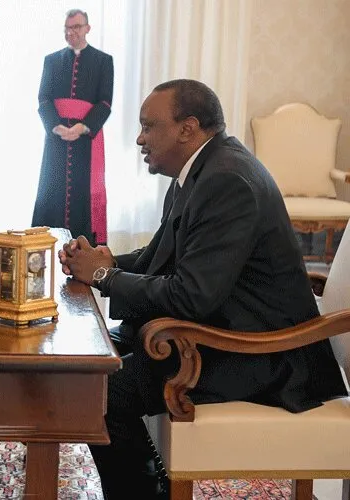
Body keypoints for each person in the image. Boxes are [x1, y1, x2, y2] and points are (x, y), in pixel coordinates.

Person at [59, 79, 347, 499]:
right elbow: (162, 254)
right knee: (89, 363)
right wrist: (104, 264)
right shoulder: (200, 170)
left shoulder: (226, 181)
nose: (139, 138)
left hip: (265, 352)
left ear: (187, 128)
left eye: (147, 126)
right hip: (228, 327)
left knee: (100, 391)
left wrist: (103, 277)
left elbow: (192, 296)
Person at [32, 9, 113, 244]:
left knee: (83, 194)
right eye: (67, 28)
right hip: (56, 137)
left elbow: (105, 102)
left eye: (76, 27)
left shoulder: (103, 61)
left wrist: (82, 128)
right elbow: (43, 98)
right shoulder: (52, 60)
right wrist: (56, 127)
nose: (71, 32)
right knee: (52, 188)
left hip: (86, 140)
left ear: (87, 28)